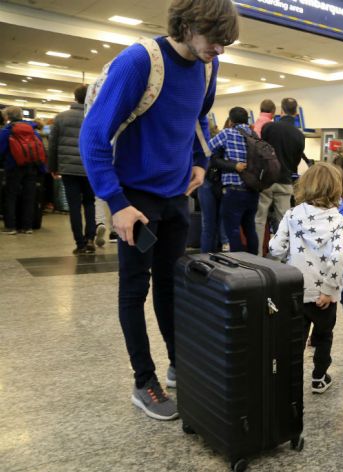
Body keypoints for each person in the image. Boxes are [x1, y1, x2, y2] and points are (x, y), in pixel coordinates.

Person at [79, 0, 238, 421]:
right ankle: (142, 379)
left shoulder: (208, 66)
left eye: (226, 43)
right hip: (134, 197)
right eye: (214, 40)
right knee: (135, 289)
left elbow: (201, 119)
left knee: (174, 287)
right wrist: (117, 204)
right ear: (186, 26)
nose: (220, 49)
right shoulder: (139, 62)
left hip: (174, 196)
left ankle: (177, 362)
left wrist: (202, 163)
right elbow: (92, 138)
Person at [269, 162, 343, 393]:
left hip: (295, 292)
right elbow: (338, 259)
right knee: (323, 337)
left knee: (295, 339)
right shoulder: (339, 222)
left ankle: (290, 379)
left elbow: (275, 248)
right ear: (336, 189)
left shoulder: (292, 215)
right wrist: (327, 290)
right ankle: (319, 377)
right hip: (325, 296)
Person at [48, 85, 98, 254]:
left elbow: (53, 145)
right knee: (90, 203)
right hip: (90, 168)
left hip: (68, 168)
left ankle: (80, 243)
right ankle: (91, 238)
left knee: (74, 206)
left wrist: (53, 167)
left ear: (75, 97)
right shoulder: (94, 115)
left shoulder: (61, 118)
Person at [256, 97, 304, 255]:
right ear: (296, 113)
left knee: (259, 219)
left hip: (267, 180)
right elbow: (296, 161)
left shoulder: (269, 128)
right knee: (284, 221)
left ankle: (256, 254)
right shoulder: (299, 135)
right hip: (285, 181)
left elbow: (261, 151)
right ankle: (280, 257)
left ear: (281, 111)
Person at [207, 107, 258, 254]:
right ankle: (255, 261)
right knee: (250, 228)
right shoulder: (254, 135)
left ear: (231, 120)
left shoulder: (227, 133)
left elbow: (208, 149)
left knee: (232, 228)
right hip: (253, 189)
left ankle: (239, 261)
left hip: (234, 189)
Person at [1, 106, 46, 235]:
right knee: (29, 197)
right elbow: (40, 149)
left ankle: (11, 226)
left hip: (13, 167)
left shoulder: (7, 130)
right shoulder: (33, 130)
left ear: (8, 117)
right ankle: (27, 227)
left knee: (10, 196)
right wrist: (42, 169)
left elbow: (1, 148)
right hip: (31, 167)